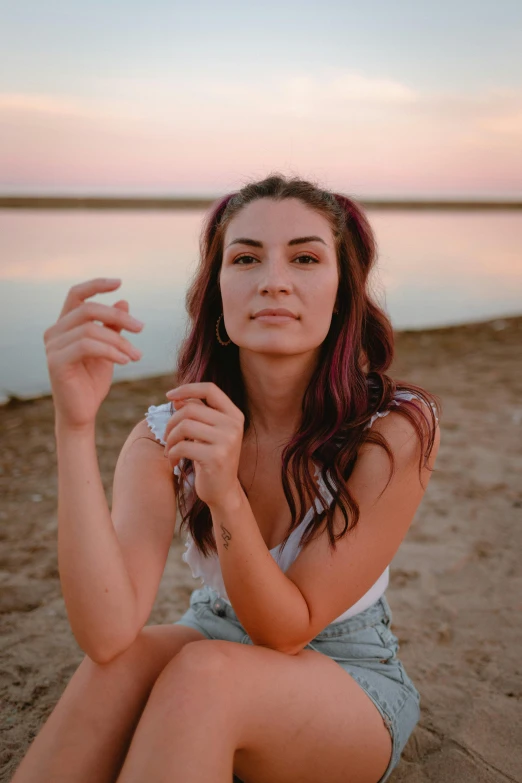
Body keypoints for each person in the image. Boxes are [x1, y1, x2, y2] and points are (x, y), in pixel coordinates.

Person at [13, 173, 441, 783]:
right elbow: (106, 633)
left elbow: (287, 631)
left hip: (347, 671)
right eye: (245, 258)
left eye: (304, 257)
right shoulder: (167, 433)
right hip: (212, 631)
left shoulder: (392, 429)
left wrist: (226, 494)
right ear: (217, 292)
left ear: (344, 292)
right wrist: (74, 426)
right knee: (121, 666)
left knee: (202, 677)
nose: (273, 280)